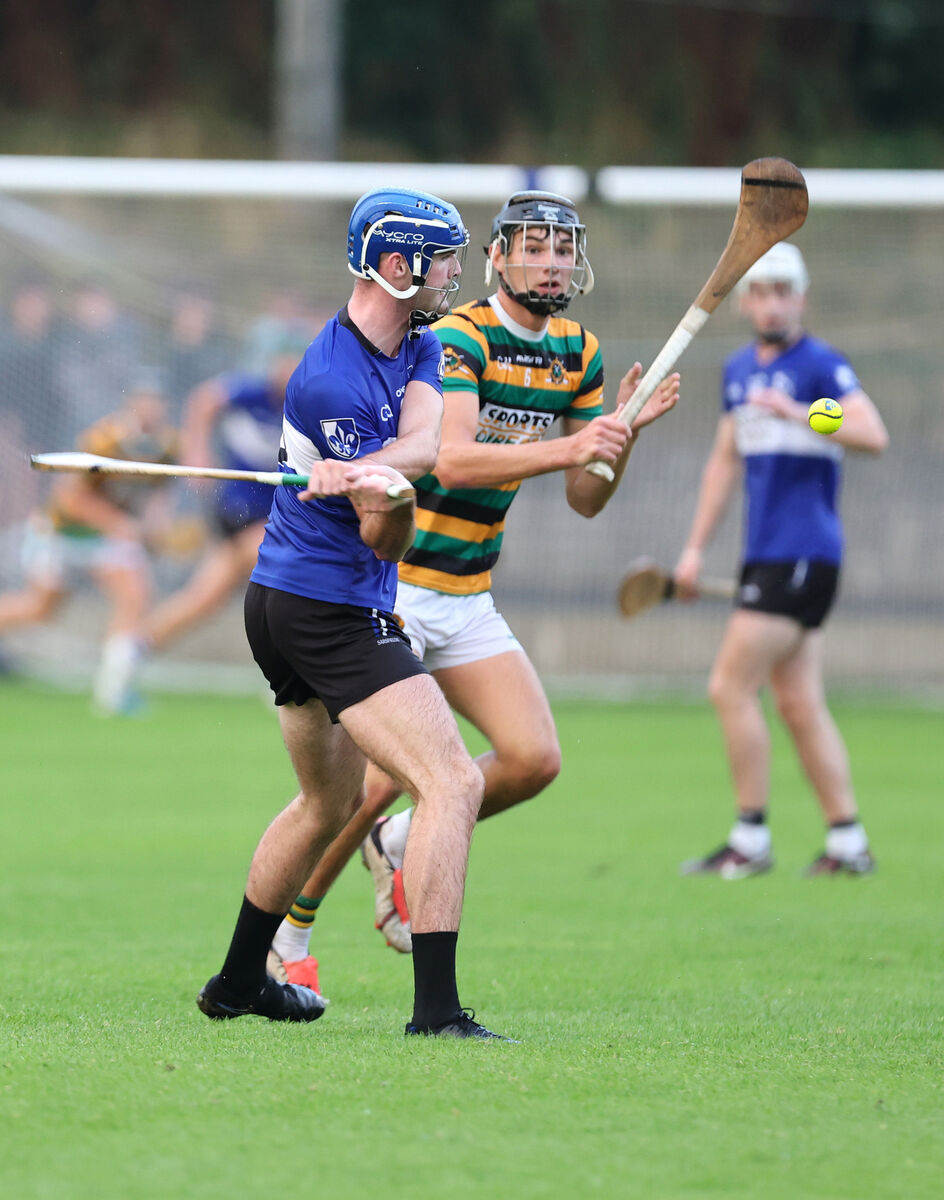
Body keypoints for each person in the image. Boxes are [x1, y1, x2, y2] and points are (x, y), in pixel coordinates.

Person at [267, 190, 680, 991]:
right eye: (533, 246)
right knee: (375, 778)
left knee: (533, 758)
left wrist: (616, 437)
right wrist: (571, 451)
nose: (551, 262)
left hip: (469, 590)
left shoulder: (578, 353)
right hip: (401, 584)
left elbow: (586, 496)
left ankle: (398, 843)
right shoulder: (455, 338)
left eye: (563, 249)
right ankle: (291, 932)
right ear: (497, 257)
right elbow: (450, 461)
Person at [196, 186, 512, 1040]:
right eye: (443, 258)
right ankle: (438, 1014)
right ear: (398, 266)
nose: (456, 271)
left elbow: (428, 444)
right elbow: (384, 539)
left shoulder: (415, 343)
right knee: (452, 779)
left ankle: (237, 981)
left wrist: (383, 469)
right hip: (321, 608)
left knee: (324, 805)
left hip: (291, 601)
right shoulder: (333, 379)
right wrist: (385, 494)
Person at [674, 243, 889, 880]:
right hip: (763, 555)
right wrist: (693, 550)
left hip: (805, 553)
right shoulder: (738, 370)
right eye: (762, 292)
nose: (773, 303)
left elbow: (871, 433)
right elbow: (724, 463)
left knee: (729, 686)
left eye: (784, 291)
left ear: (802, 297)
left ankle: (750, 838)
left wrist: (800, 411)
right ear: (746, 302)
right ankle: (848, 843)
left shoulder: (822, 366)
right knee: (797, 702)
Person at [0, 374, 178, 714]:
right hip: (61, 532)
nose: (151, 408)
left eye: (158, 400)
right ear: (132, 404)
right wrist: (121, 524)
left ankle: (114, 689)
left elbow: (159, 493)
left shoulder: (167, 445)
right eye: (145, 399)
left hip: (106, 539)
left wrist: (157, 528)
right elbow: (69, 499)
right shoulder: (103, 439)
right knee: (39, 607)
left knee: (134, 596)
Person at [137, 342, 308, 661]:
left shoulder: (305, 403)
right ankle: (295, 666)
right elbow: (203, 400)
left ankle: (134, 647)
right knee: (289, 582)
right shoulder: (252, 392)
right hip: (239, 512)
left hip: (271, 517)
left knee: (204, 600)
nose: (286, 371)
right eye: (283, 362)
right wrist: (197, 452)